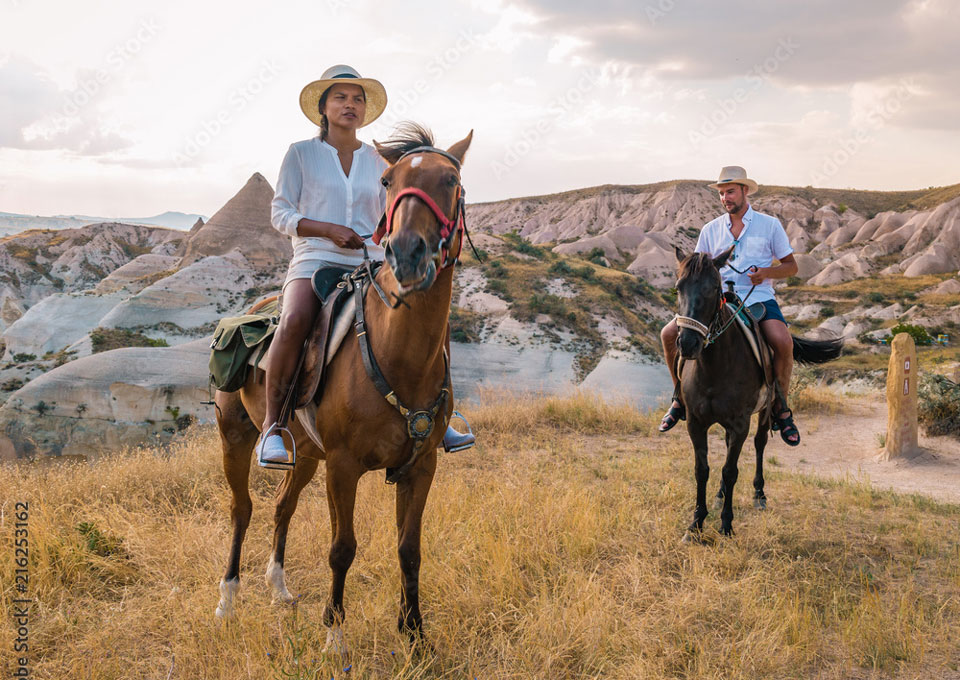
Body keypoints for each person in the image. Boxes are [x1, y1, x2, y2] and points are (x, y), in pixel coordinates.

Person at [257, 64, 474, 469]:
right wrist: (327, 230)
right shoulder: (301, 154)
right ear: (323, 107)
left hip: (372, 260)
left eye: (357, 99)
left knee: (429, 319)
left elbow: (396, 207)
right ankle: (274, 428)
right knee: (294, 320)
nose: (350, 105)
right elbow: (280, 213)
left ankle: (439, 416)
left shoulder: (380, 161)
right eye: (340, 97)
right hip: (316, 259)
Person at [658, 166, 801, 445]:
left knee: (783, 342)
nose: (726, 198)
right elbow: (699, 268)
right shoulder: (711, 229)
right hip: (720, 300)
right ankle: (679, 397)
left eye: (731, 192)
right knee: (668, 335)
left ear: (745, 191)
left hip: (757, 298)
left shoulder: (769, 225)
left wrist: (766, 273)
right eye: (722, 193)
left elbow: (791, 267)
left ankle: (780, 408)